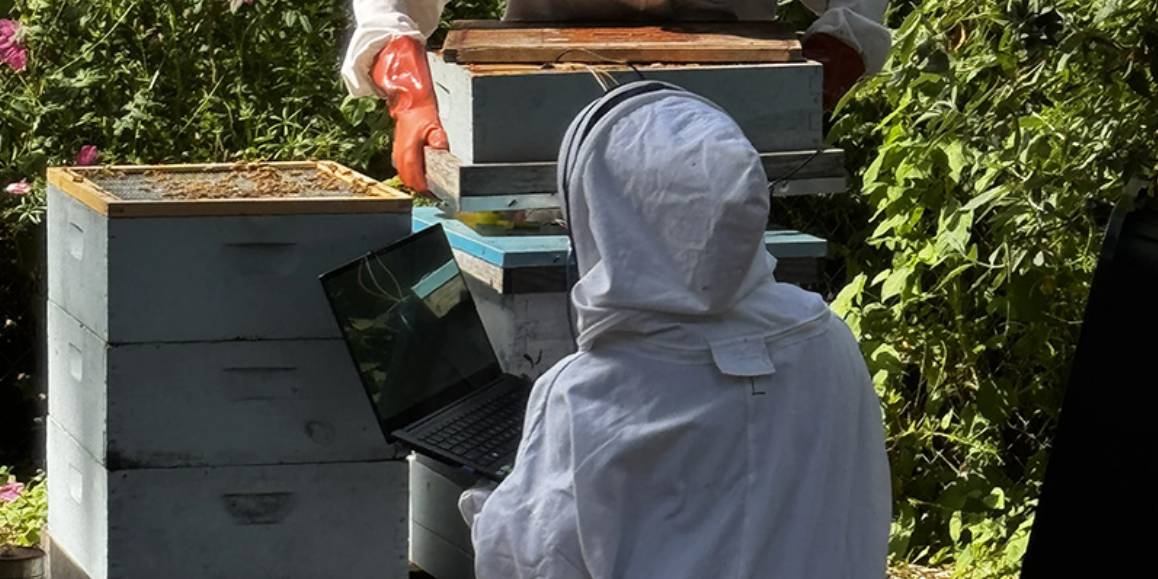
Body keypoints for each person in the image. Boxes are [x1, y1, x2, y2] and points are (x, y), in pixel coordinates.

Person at [454, 83, 892, 577]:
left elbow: (530, 564)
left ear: (603, 212)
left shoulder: (587, 395)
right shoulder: (828, 339)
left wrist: (488, 509)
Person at [341, 1, 892, 192]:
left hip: (727, 126)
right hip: (540, 99)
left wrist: (821, 71)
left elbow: (858, 11)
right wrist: (409, 88)